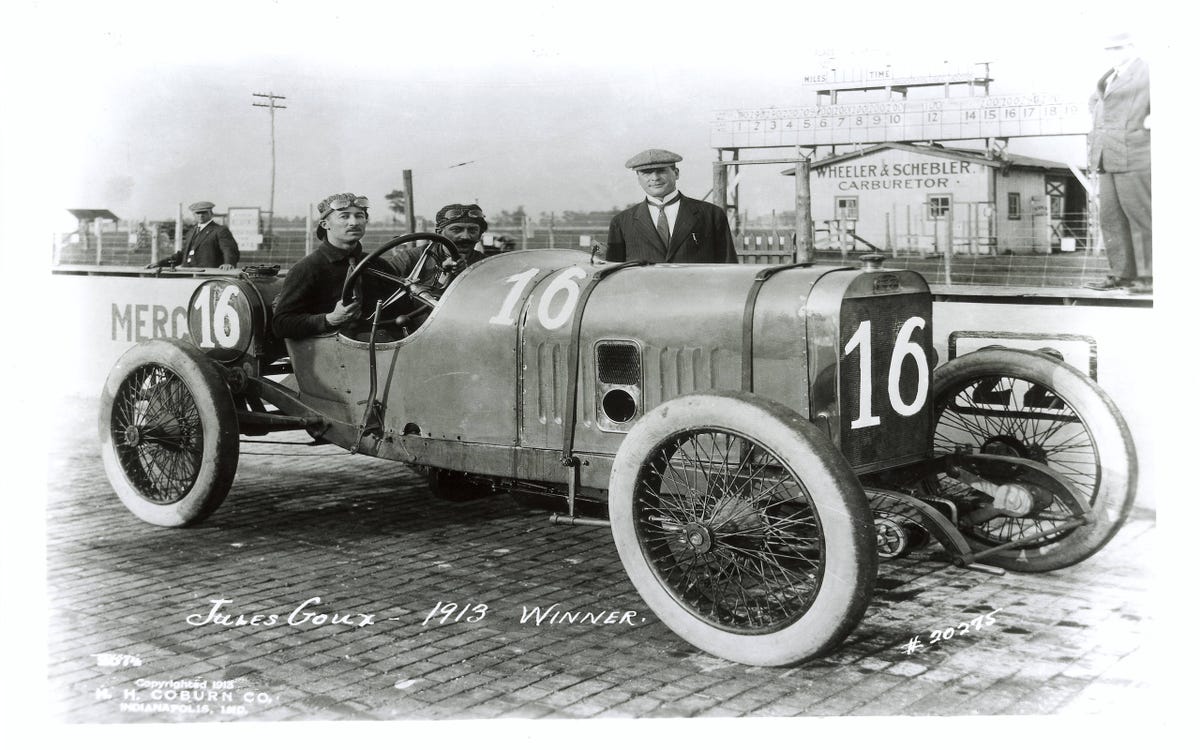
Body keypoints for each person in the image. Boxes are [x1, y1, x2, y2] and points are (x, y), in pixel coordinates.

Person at [272, 192, 393, 339]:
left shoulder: (377, 264)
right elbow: (281, 324)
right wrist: (330, 319)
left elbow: (403, 310)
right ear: (325, 224)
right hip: (332, 355)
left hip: (381, 348)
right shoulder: (308, 268)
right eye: (344, 216)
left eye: (359, 216)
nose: (354, 222)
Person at [1085, 31, 1151, 294]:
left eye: (1119, 48)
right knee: (1110, 218)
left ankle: (1149, 277)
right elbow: (1096, 106)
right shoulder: (1108, 77)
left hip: (1135, 154)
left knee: (1140, 215)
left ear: (1133, 47)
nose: (1113, 53)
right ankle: (1121, 275)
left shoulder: (1148, 72)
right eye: (1109, 49)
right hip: (1107, 156)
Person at [606, 149, 738, 264]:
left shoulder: (711, 215)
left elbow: (728, 266)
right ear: (638, 179)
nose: (655, 178)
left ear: (676, 173)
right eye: (646, 172)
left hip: (696, 292)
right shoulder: (622, 222)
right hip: (644, 293)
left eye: (661, 171)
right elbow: (613, 274)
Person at [390, 203, 489, 286]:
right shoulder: (408, 259)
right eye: (456, 230)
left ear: (480, 234)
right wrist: (444, 274)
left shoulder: (488, 264)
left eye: (473, 230)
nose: (465, 236)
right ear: (439, 232)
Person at [148, 201, 239, 269]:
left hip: (207, 275)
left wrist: (229, 263)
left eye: (204, 212)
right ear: (193, 215)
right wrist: (160, 264)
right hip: (188, 274)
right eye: (197, 213)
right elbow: (183, 254)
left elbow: (229, 249)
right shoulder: (192, 231)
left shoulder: (219, 230)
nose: (201, 215)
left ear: (211, 214)